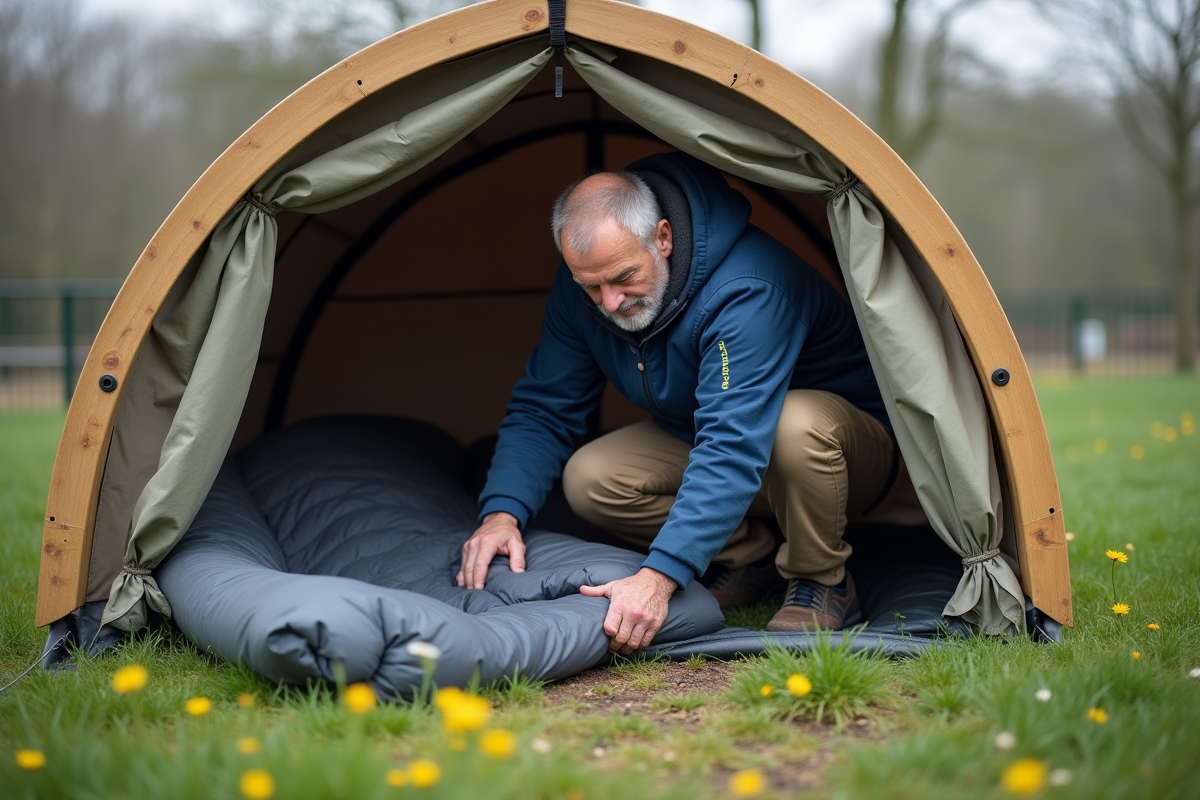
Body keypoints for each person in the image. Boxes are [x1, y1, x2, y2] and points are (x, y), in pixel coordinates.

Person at [456, 152, 925, 654]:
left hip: (847, 461)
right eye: (591, 286)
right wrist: (501, 515)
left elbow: (732, 444)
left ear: (663, 238)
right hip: (722, 443)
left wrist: (659, 577)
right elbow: (545, 405)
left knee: (795, 423)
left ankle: (822, 579)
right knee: (591, 476)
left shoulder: (747, 288)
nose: (609, 303)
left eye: (623, 277)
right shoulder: (585, 292)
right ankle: (753, 556)